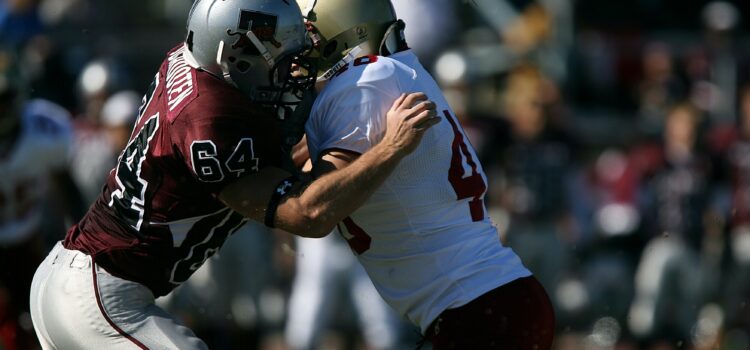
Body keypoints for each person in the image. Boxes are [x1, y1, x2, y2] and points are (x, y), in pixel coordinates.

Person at [28, 0, 439, 348]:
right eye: (277, 62)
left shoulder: (198, 66)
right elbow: (308, 214)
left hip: (70, 277)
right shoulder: (209, 121)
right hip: (100, 297)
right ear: (233, 57)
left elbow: (270, 165)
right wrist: (389, 147)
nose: (290, 75)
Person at [296, 0, 555, 348]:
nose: (299, 47)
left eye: (308, 33)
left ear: (338, 29)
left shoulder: (362, 82)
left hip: (475, 309)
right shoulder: (394, 70)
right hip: (493, 299)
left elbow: (314, 207)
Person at [0, 48, 84, 350]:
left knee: (38, 320)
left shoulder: (44, 129)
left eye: (5, 99)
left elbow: (68, 190)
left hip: (27, 235)